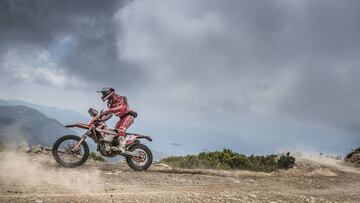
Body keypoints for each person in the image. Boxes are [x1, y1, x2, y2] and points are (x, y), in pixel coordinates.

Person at [97, 87, 137, 152]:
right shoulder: (110, 103)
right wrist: (102, 119)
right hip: (122, 118)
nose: (103, 95)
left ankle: (122, 147)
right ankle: (115, 146)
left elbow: (121, 108)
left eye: (104, 93)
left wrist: (108, 111)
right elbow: (110, 114)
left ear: (108, 93)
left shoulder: (118, 97)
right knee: (114, 132)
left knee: (121, 129)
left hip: (128, 116)